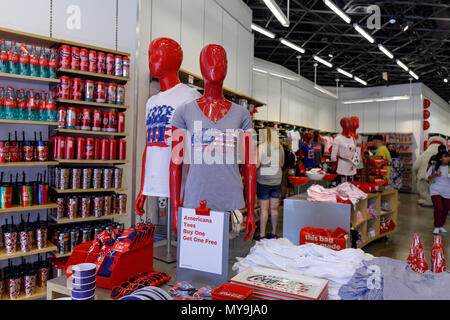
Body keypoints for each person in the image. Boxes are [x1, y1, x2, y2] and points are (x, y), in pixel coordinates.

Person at [255, 129, 285, 240]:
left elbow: (256, 165)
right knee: (274, 209)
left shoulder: (261, 147)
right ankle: (273, 233)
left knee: (264, 209)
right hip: (277, 180)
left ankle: (262, 235)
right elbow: (282, 164)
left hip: (264, 181)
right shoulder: (280, 147)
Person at [425, 151, 450, 234]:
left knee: (445, 210)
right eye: (445, 156)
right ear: (440, 158)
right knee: (439, 208)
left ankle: (441, 226)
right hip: (435, 190)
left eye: (448, 156)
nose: (448, 158)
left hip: (447, 192)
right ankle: (436, 226)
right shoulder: (434, 167)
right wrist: (435, 174)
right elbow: (427, 178)